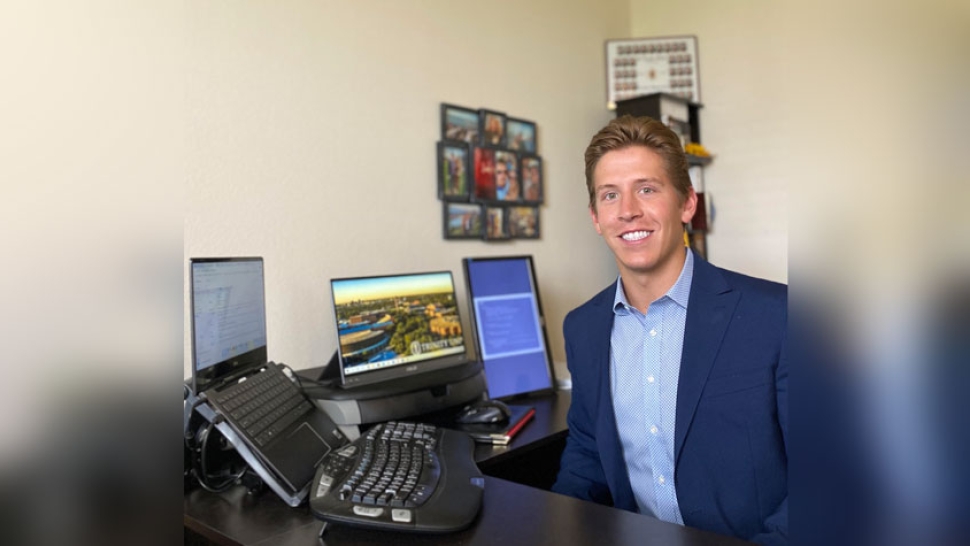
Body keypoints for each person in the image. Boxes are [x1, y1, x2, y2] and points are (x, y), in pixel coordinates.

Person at [551, 115, 788, 545]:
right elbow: (586, 457)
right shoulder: (582, 328)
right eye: (610, 195)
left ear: (687, 204)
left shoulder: (776, 315)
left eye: (647, 189)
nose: (627, 211)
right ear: (595, 217)